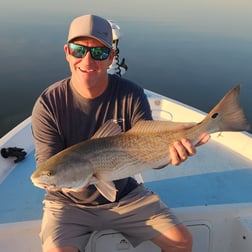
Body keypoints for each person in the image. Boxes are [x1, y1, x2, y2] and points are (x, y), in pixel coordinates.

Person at [32, 14, 210, 252]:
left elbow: (147, 148)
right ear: (67, 52)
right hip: (68, 204)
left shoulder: (131, 94)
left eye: (99, 52)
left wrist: (169, 155)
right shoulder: (49, 104)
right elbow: (47, 165)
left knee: (181, 241)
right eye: (78, 50)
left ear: (111, 58)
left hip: (125, 196)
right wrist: (65, 180)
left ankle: (216, 122)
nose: (87, 59)